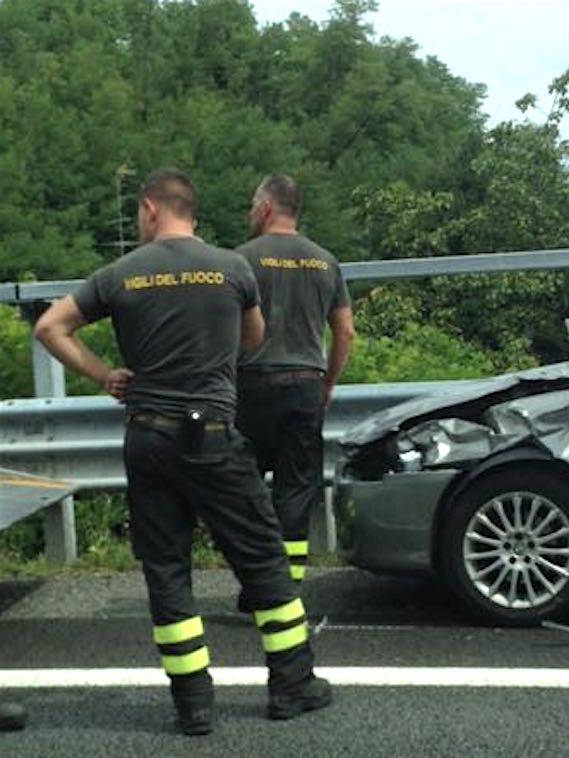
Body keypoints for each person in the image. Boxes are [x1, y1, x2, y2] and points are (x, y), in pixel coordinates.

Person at [34, 168, 331, 736]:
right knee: (263, 557)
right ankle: (292, 687)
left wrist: (104, 375)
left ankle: (193, 704)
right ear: (190, 211)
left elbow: (50, 327)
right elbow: (254, 339)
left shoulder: (121, 273)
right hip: (213, 436)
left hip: (148, 435)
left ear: (149, 209)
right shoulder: (234, 268)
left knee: (167, 567)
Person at [235, 174, 354, 602]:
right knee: (297, 490)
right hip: (305, 385)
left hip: (251, 387)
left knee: (246, 488)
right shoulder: (326, 261)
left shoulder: (242, 259)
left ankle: (256, 583)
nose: (250, 212)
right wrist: (328, 382)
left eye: (253, 204)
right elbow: (345, 333)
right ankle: (288, 590)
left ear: (267, 208)